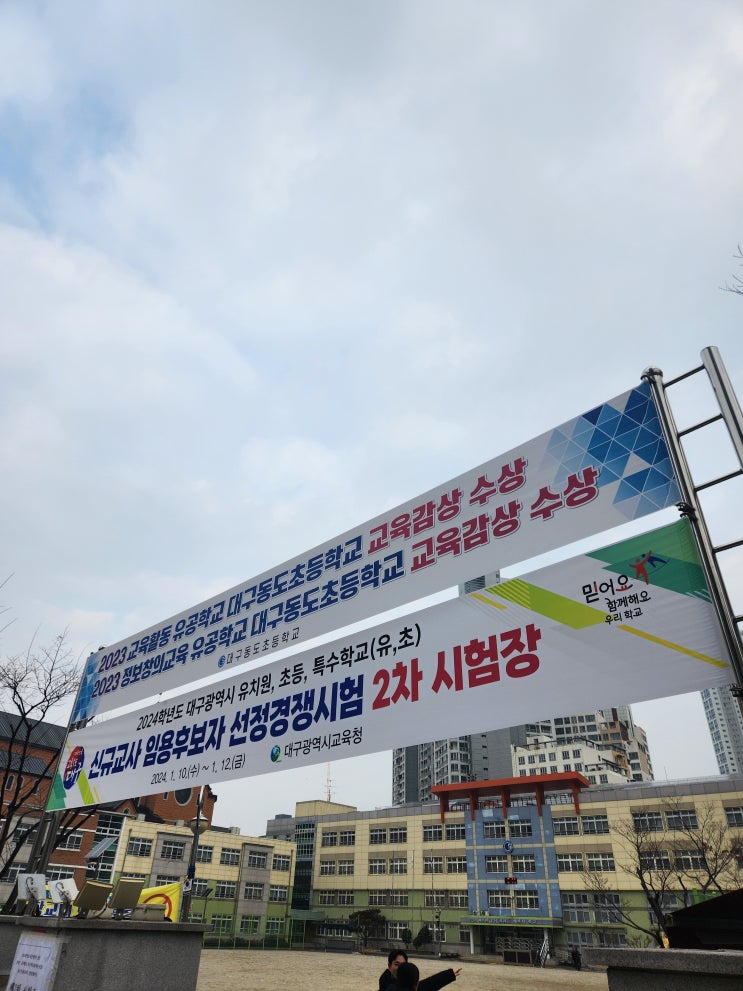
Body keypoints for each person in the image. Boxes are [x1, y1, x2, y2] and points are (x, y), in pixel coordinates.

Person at [380, 952, 461, 991]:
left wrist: (449, 975)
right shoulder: (385, 986)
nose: (400, 968)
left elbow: (428, 984)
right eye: (397, 964)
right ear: (389, 966)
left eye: (404, 965)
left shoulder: (407, 986)